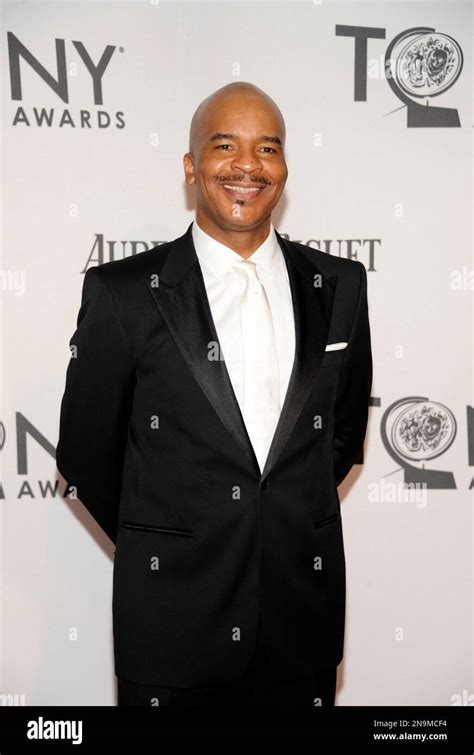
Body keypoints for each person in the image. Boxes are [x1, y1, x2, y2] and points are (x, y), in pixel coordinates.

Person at [56, 81, 372, 708]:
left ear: (284, 166)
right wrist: (173, 532)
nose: (247, 166)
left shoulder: (340, 285)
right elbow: (88, 452)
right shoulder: (123, 293)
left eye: (268, 149)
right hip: (172, 622)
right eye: (225, 145)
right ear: (191, 166)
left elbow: (337, 439)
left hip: (300, 621)